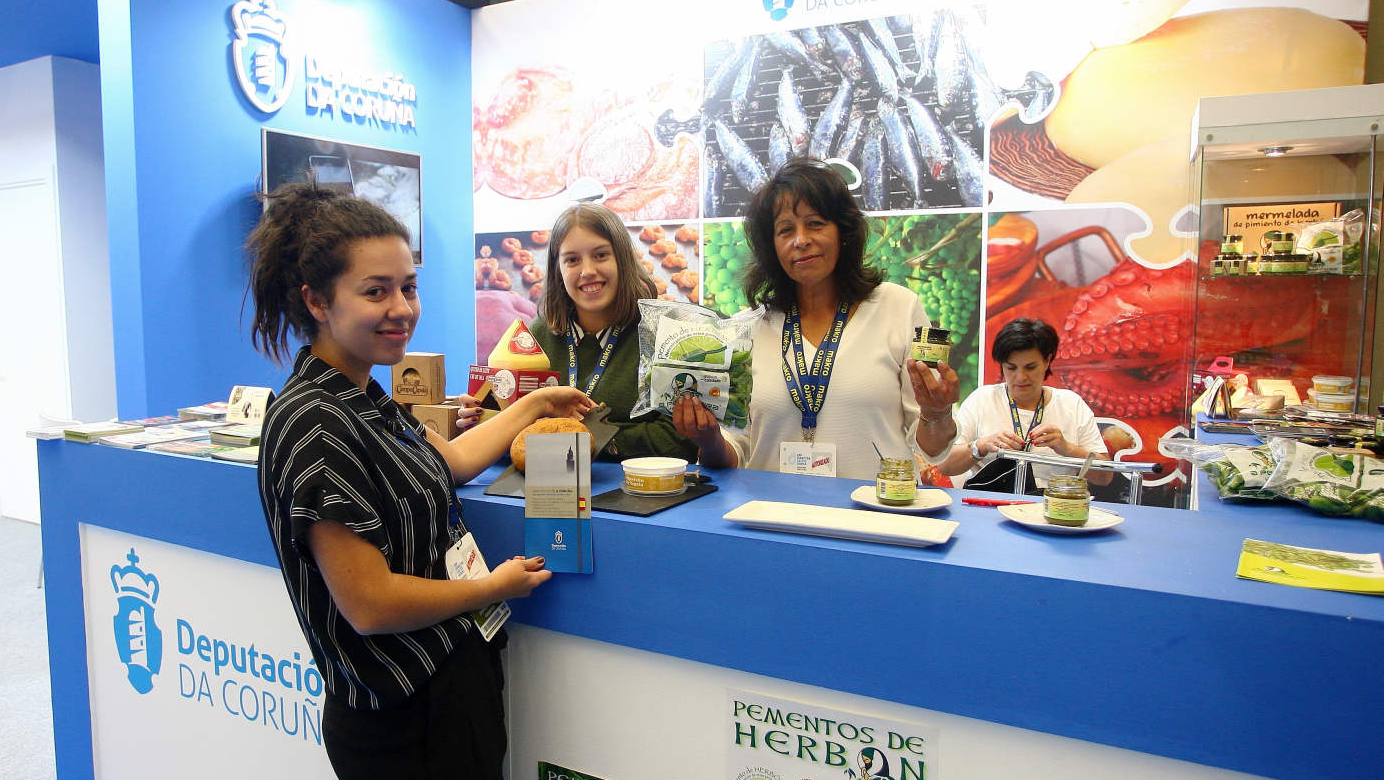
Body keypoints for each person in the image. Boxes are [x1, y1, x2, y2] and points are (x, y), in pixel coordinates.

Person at [245, 182, 593, 780]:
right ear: (317, 301)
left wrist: (535, 404)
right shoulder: (317, 426)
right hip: (406, 717)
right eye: (375, 291)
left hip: (448, 693)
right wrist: (493, 587)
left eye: (408, 286)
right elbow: (371, 605)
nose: (401, 308)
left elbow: (451, 460)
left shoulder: (362, 395)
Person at [673, 158, 959, 478]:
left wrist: (937, 412)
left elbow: (932, 448)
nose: (801, 240)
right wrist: (708, 438)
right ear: (772, 247)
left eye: (815, 223)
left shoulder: (900, 307)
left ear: (843, 232)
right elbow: (735, 452)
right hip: (770, 518)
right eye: (785, 230)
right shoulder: (747, 328)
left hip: (873, 518)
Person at [456, 203, 697, 461]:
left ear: (623, 259)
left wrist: (581, 435)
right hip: (548, 491)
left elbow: (678, 441)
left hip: (643, 492)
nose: (588, 271)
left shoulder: (664, 333)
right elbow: (515, 441)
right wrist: (486, 418)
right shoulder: (537, 335)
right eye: (572, 260)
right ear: (558, 269)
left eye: (601, 255)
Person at [936, 317, 1110, 490]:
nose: (1020, 377)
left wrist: (1067, 448)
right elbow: (945, 466)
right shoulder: (982, 399)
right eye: (1011, 368)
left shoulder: (1071, 404)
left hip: (1055, 505)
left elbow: (1105, 476)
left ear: (1047, 361)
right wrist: (980, 446)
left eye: (1030, 367)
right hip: (991, 504)